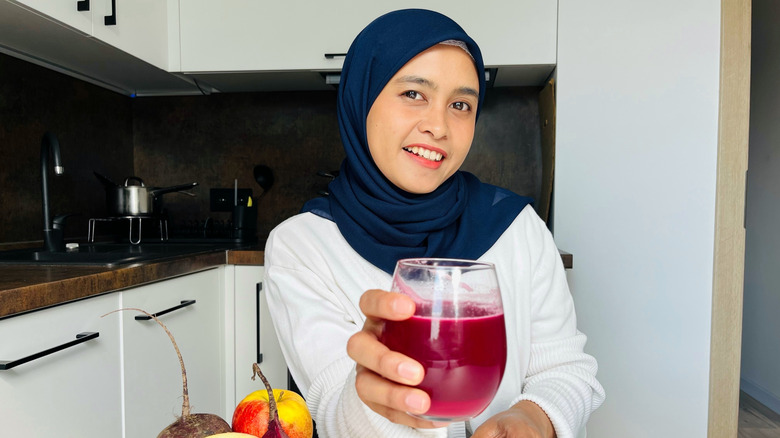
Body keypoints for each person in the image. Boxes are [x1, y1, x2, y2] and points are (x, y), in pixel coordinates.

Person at [264, 8, 605, 438]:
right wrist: (369, 391)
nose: (439, 126)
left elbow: (565, 369)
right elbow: (333, 411)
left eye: (460, 104)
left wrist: (534, 417)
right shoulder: (302, 246)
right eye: (413, 94)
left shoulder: (517, 227)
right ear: (361, 98)